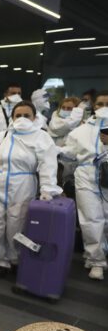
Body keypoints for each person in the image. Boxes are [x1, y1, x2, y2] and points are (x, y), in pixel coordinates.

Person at [0, 101, 62, 277]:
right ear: (12, 118)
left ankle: (15, 259)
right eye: (18, 115)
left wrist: (47, 189)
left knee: (17, 224)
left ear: (34, 117)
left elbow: (48, 164)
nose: (22, 119)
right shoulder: (3, 136)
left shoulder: (41, 137)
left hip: (22, 184)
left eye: (26, 115)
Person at [60, 90, 108, 281]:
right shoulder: (80, 131)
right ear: (93, 107)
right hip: (86, 176)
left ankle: (100, 252)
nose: (103, 108)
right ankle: (96, 260)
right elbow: (70, 154)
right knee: (91, 218)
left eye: (107, 104)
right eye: (99, 104)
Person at [48, 97, 83, 183]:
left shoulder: (81, 126)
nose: (65, 110)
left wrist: (61, 149)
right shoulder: (53, 122)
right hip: (53, 165)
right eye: (63, 107)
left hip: (73, 168)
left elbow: (77, 149)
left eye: (69, 108)